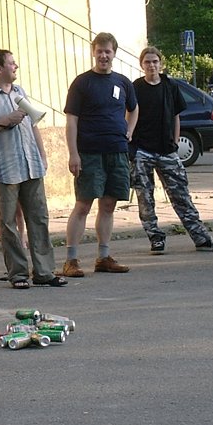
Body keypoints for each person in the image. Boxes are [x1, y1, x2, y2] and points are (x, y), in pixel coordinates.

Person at [0, 49, 66, 289]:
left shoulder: (19, 91)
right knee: (8, 224)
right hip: (5, 169)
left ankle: (44, 272)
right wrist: (7, 120)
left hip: (30, 164)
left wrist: (41, 155)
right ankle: (18, 274)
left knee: (39, 218)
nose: (16, 66)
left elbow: (32, 125)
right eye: (12, 63)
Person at [130, 47, 213, 254]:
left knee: (181, 195)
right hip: (142, 150)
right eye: (147, 62)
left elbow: (176, 116)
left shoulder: (170, 85)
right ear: (142, 65)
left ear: (161, 64)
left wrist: (174, 142)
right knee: (145, 198)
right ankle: (155, 238)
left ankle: (201, 238)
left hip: (167, 150)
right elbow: (128, 114)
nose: (151, 65)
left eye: (155, 61)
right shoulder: (135, 87)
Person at [61, 32, 138, 277]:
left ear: (114, 53)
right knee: (83, 205)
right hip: (89, 152)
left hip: (117, 151)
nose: (103, 55)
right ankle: (71, 260)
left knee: (108, 204)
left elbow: (134, 109)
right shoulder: (82, 83)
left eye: (108, 51)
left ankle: (103, 257)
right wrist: (73, 154)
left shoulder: (123, 82)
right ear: (93, 52)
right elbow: (71, 120)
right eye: (100, 51)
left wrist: (129, 130)